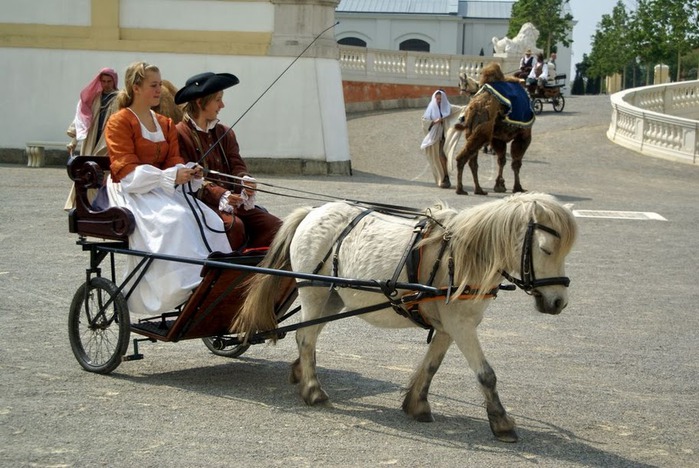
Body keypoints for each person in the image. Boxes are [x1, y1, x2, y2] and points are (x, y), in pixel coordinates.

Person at [104, 61, 232, 316]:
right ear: (136, 87)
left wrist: (189, 172)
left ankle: (218, 280)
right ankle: (182, 285)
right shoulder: (119, 122)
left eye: (159, 84)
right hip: (131, 191)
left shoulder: (164, 123)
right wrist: (170, 177)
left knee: (211, 220)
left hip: (162, 189)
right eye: (153, 85)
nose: (159, 90)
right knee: (175, 221)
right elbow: (127, 173)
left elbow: (173, 160)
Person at [175, 72, 282, 250]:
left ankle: (260, 271)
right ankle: (228, 275)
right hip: (200, 203)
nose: (222, 105)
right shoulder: (179, 134)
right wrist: (220, 194)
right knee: (233, 226)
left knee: (275, 226)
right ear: (200, 102)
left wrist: (245, 181)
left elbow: (237, 165)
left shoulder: (225, 132)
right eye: (217, 99)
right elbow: (190, 180)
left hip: (232, 203)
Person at [64, 68, 119, 210]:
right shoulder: (94, 98)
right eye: (103, 81)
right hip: (91, 139)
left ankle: (102, 204)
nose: (106, 84)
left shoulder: (120, 98)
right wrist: (73, 142)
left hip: (107, 142)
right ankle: (82, 204)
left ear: (114, 81)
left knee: (102, 172)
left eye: (109, 81)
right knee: (86, 170)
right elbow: (82, 120)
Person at [420, 90, 464, 189]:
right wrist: (434, 122)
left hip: (446, 136)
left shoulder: (449, 107)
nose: (439, 100)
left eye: (440, 99)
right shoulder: (431, 108)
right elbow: (424, 120)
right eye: (437, 98)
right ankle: (443, 177)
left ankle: (446, 176)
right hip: (436, 137)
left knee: (443, 156)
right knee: (438, 157)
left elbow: (461, 110)